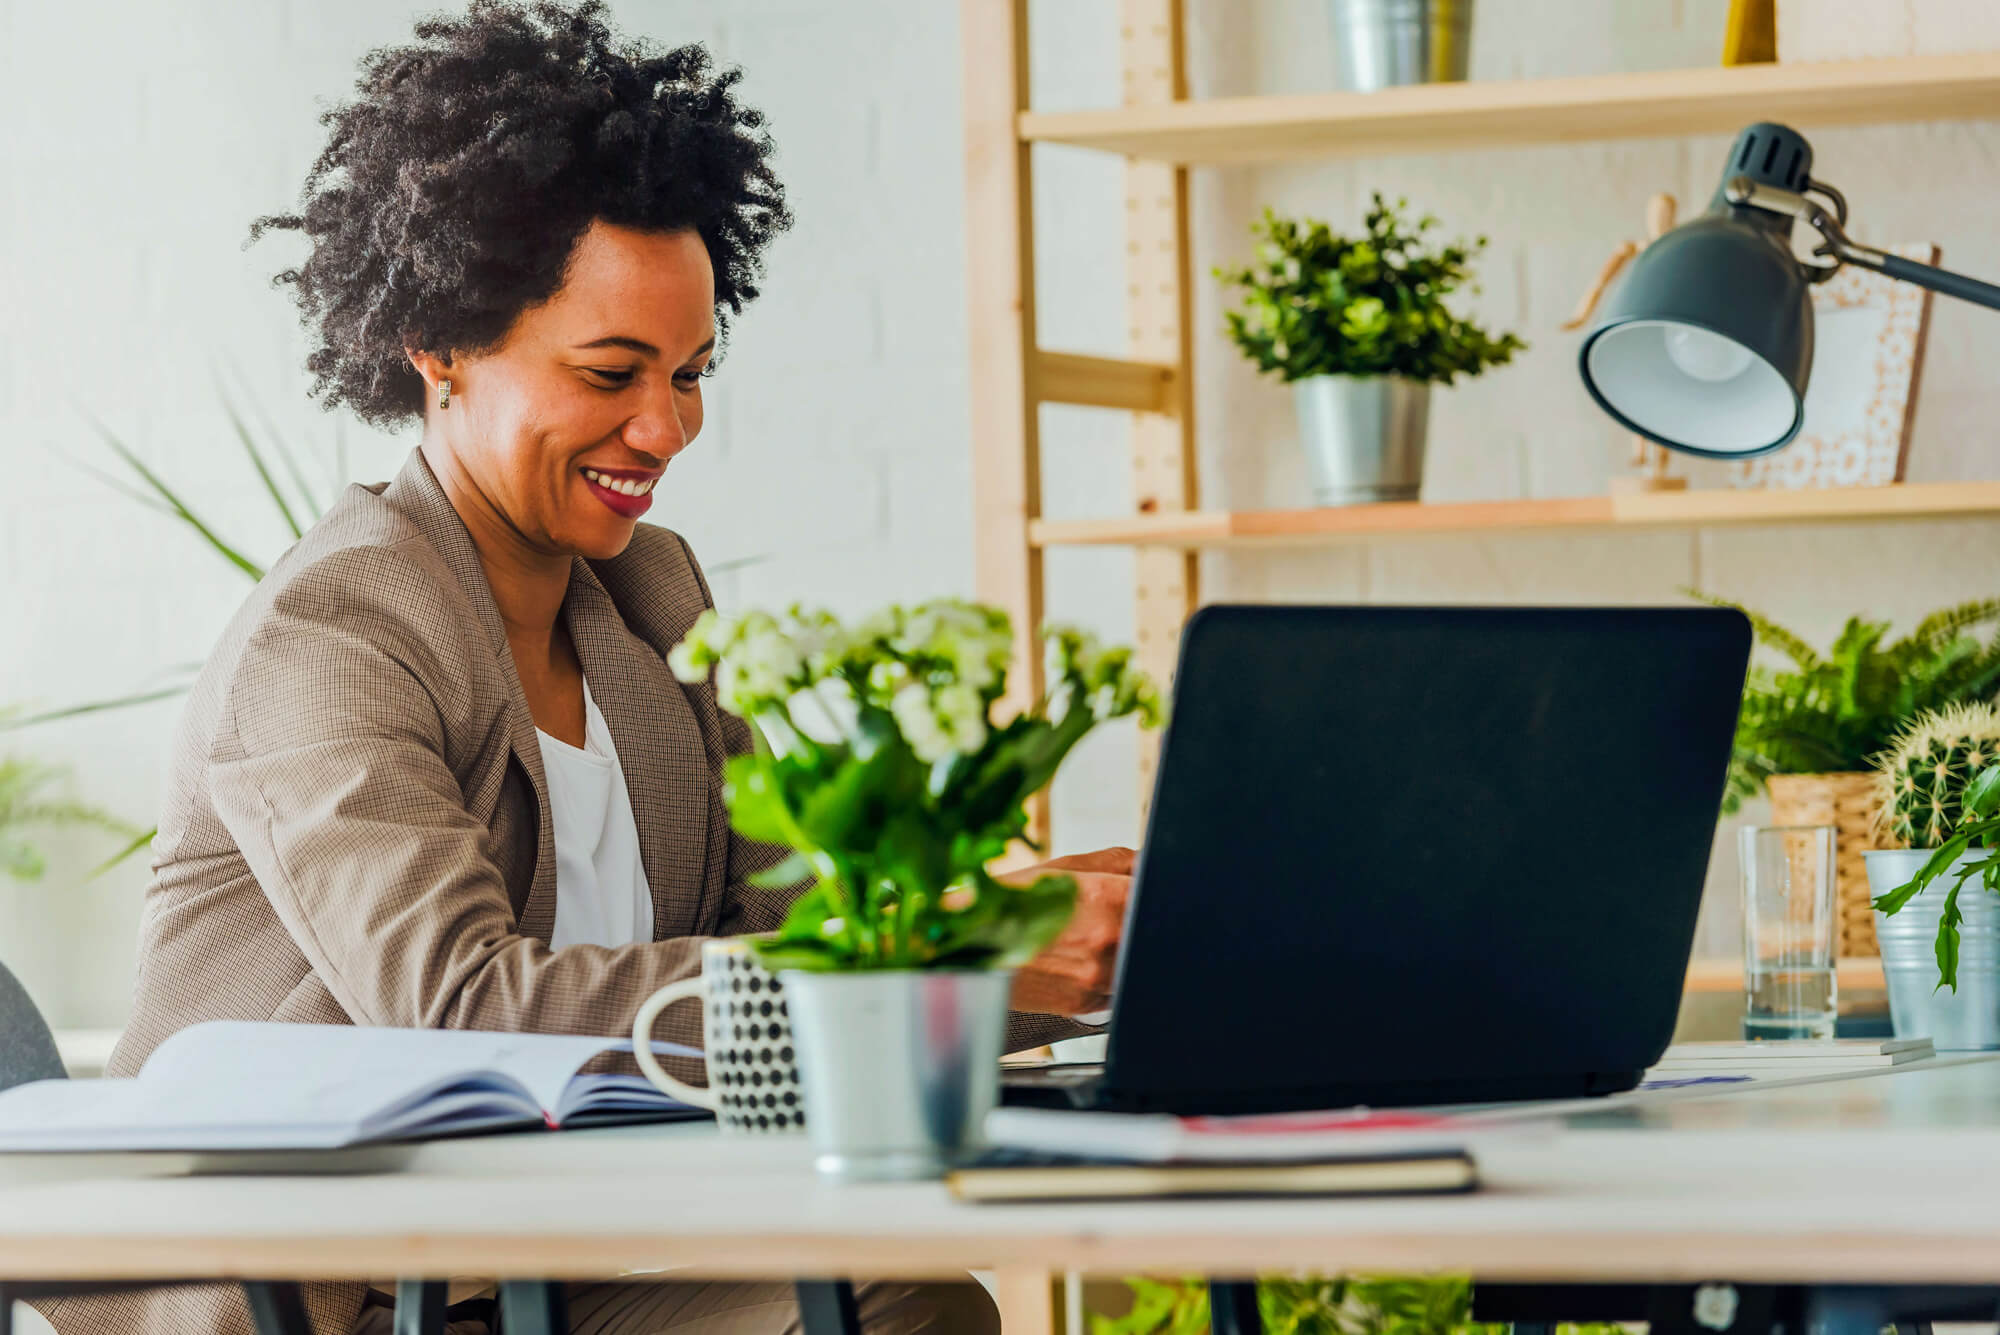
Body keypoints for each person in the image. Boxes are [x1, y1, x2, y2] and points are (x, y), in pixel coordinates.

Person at [37, 3, 1130, 1332]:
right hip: (336, 1289)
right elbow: (459, 1004)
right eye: (613, 371)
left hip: (557, 1259)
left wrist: (982, 924)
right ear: (440, 349)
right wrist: (951, 974)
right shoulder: (334, 637)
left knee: (904, 1302)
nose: (664, 425)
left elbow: (786, 943)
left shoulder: (650, 595)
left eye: (688, 372)